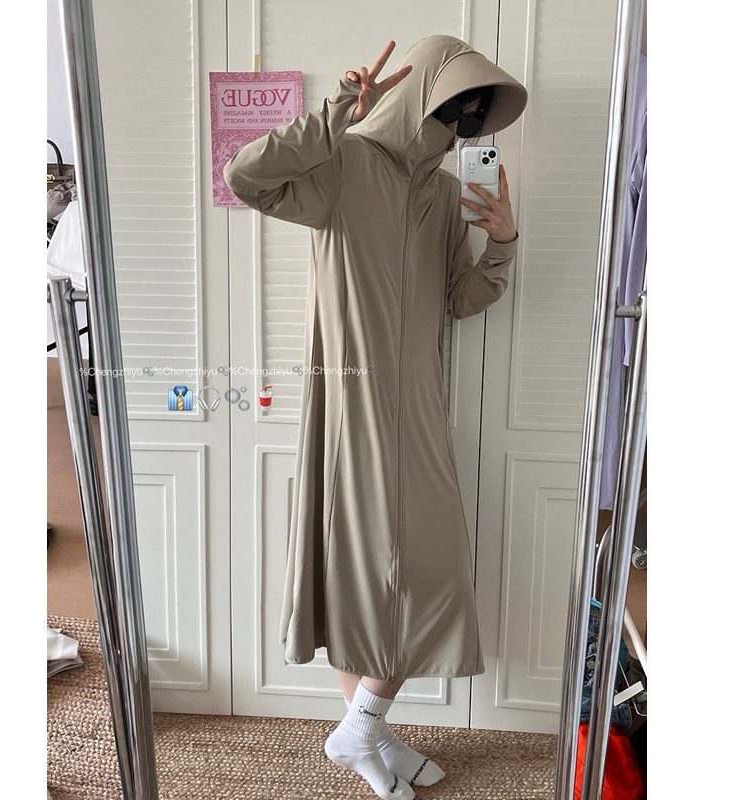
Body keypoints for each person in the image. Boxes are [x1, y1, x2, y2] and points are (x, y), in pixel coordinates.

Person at [224, 34, 528, 800]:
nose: (461, 127)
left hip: (418, 406)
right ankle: (366, 731)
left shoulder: (441, 196)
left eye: (473, 119)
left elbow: (460, 299)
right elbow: (245, 177)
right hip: (349, 404)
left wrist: (501, 242)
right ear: (422, 98)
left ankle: (363, 728)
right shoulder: (346, 163)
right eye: (455, 109)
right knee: (356, 576)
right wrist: (334, 111)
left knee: (432, 573)